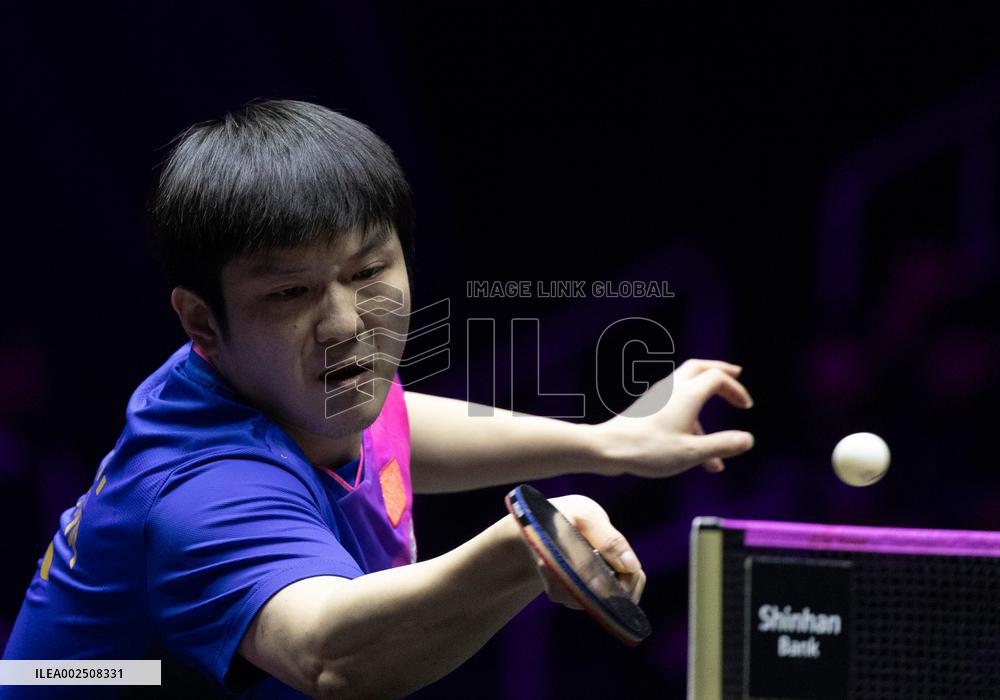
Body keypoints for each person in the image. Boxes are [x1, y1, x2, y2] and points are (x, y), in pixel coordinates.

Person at [1, 100, 754, 698]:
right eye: (289, 291)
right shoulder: (204, 490)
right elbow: (333, 657)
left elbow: (393, 426)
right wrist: (527, 546)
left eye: (368, 273)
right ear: (203, 321)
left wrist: (605, 441)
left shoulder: (288, 380)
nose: (344, 323)